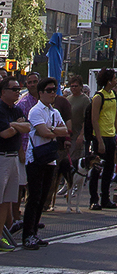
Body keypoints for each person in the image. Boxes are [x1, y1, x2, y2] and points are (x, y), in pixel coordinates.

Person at [23, 79, 68, 248]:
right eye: (48, 90)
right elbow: (42, 132)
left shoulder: (54, 112)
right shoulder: (36, 111)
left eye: (54, 90)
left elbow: (64, 130)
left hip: (49, 158)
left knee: (43, 198)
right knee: (33, 197)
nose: (52, 93)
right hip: (35, 159)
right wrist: (54, 131)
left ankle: (34, 232)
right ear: (41, 92)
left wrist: (52, 130)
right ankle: (27, 235)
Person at [0, 79, 29, 250]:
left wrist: (14, 126)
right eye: (14, 89)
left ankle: (1, 237)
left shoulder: (17, 109)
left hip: (13, 158)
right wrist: (17, 126)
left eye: (19, 89)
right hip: (1, 157)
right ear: (3, 91)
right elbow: (4, 133)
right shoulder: (0, 109)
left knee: (7, 200)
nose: (18, 92)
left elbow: (26, 127)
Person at [90, 68, 117, 210]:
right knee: (97, 169)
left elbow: (115, 116)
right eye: (114, 78)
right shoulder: (98, 97)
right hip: (100, 137)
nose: (116, 80)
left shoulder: (113, 95)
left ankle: (105, 197)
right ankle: (94, 199)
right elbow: (94, 120)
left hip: (111, 136)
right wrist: (99, 141)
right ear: (108, 81)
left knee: (109, 169)